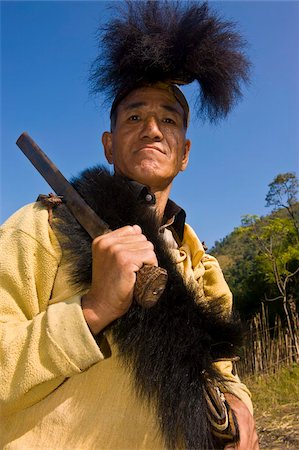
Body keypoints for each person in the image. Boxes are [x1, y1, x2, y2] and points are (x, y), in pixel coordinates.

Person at [0, 2, 259, 449]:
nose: (152, 129)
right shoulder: (41, 228)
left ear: (185, 152)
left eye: (169, 119)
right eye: (135, 117)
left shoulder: (202, 268)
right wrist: (92, 310)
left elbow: (221, 369)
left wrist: (239, 404)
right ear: (108, 144)